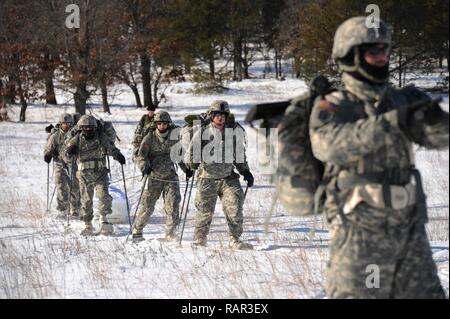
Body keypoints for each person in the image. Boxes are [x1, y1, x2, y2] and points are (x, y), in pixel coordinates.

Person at [308, 16, 449, 298]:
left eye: (385, 50)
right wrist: (392, 123)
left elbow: (441, 138)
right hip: (359, 231)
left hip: (409, 228)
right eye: (373, 51)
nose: (382, 57)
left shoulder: (402, 99)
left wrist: (435, 120)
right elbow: (329, 146)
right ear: (351, 56)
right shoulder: (333, 105)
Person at [186, 100, 255, 250]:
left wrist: (245, 171)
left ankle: (235, 239)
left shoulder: (233, 134)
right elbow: (192, 151)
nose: (220, 117)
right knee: (204, 212)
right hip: (207, 178)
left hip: (228, 178)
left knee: (235, 207)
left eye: (223, 115)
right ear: (211, 116)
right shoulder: (203, 133)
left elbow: (239, 155)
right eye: (217, 114)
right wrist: (192, 165)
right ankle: (200, 240)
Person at [131, 111, 191, 242]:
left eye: (164, 124)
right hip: (154, 177)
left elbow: (179, 156)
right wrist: (144, 166)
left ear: (168, 124)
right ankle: (137, 230)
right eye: (159, 124)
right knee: (147, 205)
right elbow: (140, 155)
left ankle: (171, 232)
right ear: (156, 124)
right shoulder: (150, 137)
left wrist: (187, 169)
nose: (162, 126)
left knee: (173, 204)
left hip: (170, 176)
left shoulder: (174, 137)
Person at [65, 115, 126, 236]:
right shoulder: (76, 139)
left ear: (94, 127)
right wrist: (70, 151)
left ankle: (104, 220)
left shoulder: (100, 137)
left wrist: (118, 156)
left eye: (90, 127)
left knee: (104, 196)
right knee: (86, 200)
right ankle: (88, 224)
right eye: (85, 128)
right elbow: (66, 157)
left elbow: (111, 147)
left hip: (100, 173)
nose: (88, 130)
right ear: (81, 128)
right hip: (84, 175)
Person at [44, 113, 81, 218]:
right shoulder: (55, 136)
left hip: (73, 163)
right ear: (60, 124)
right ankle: (63, 208)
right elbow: (49, 147)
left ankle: (75, 208)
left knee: (74, 185)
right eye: (64, 123)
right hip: (59, 163)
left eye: (69, 123)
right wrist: (47, 154)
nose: (67, 125)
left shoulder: (75, 134)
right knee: (60, 185)